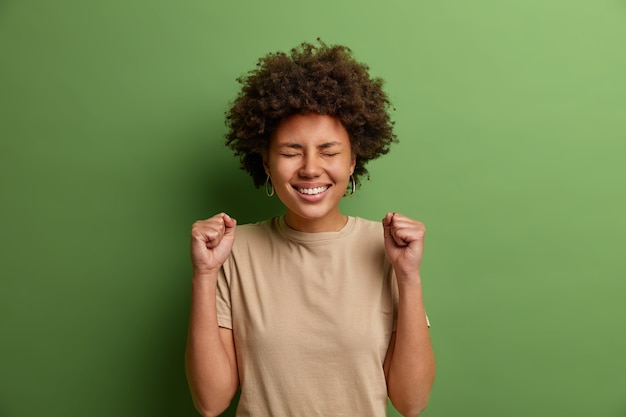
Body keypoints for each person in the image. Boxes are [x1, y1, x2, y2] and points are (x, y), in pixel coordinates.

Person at [185, 40, 435, 417]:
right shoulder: (233, 251)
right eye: (290, 152)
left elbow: (411, 402)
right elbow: (211, 402)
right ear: (266, 164)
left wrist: (409, 276)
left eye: (330, 152)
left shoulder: (388, 249)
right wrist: (204, 273)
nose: (310, 168)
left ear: (353, 161)